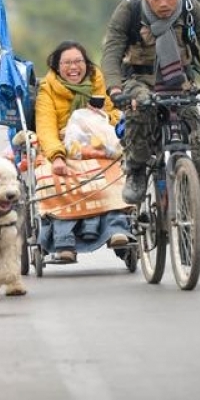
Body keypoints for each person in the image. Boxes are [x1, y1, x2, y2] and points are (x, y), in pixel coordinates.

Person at [100, 0, 200, 221]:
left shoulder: (191, 8)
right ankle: (137, 169)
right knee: (140, 108)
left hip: (180, 83)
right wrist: (115, 90)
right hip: (138, 80)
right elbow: (112, 50)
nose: (164, 3)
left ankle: (193, 216)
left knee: (197, 149)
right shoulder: (128, 11)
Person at [34, 40, 134, 263]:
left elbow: (115, 115)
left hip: (98, 143)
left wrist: (101, 115)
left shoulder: (98, 81)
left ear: (86, 64)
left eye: (78, 61)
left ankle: (116, 229)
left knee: (114, 171)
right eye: (67, 62)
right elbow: (46, 128)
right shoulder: (47, 90)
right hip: (62, 147)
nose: (73, 67)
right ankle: (64, 239)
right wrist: (57, 157)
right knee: (54, 177)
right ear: (57, 66)